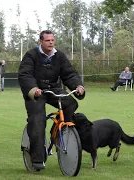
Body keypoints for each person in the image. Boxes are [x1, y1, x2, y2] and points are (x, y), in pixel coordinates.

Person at [18, 30, 85, 170]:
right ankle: (37, 158)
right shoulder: (31, 55)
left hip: (54, 90)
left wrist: (78, 86)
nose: (51, 43)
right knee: (37, 119)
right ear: (40, 41)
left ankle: (58, 132)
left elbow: (69, 73)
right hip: (37, 92)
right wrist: (33, 89)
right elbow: (25, 74)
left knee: (71, 103)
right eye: (48, 40)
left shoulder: (59, 55)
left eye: (52, 40)